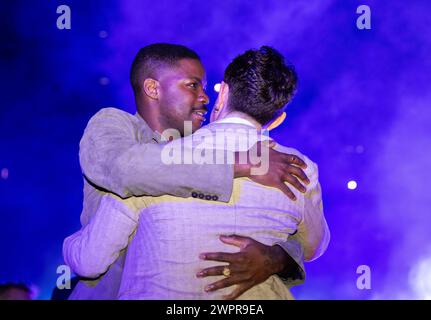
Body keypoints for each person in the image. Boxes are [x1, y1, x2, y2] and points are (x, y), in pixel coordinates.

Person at [63, 44, 311, 299]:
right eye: (193, 85)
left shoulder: (195, 148)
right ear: (153, 89)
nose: (205, 97)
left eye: (205, 88)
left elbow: (274, 231)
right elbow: (125, 169)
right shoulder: (115, 124)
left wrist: (277, 257)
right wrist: (238, 164)